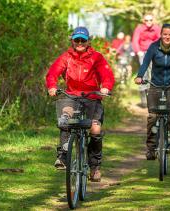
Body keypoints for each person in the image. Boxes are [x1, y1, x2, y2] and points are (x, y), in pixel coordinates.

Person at [46, 26, 115, 182]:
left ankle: (95, 167)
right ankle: (63, 157)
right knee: (65, 118)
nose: (79, 43)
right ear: (72, 40)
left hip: (92, 96)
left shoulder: (96, 57)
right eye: (76, 40)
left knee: (95, 129)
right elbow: (53, 73)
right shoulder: (66, 57)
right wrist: (52, 86)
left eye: (83, 40)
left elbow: (107, 74)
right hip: (71, 95)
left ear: (88, 41)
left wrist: (106, 87)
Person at [134, 24, 170, 160]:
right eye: (165, 34)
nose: (167, 37)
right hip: (155, 84)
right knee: (152, 116)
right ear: (161, 34)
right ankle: (151, 148)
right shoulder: (154, 47)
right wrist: (140, 76)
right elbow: (145, 63)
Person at [132, 13, 161, 107]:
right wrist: (138, 51)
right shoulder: (139, 28)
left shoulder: (157, 28)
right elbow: (135, 40)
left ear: (153, 20)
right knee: (143, 73)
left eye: (150, 20)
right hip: (142, 52)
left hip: (153, 52)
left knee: (153, 72)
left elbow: (160, 39)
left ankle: (153, 96)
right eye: (146, 20)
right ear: (143, 21)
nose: (148, 22)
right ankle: (143, 97)